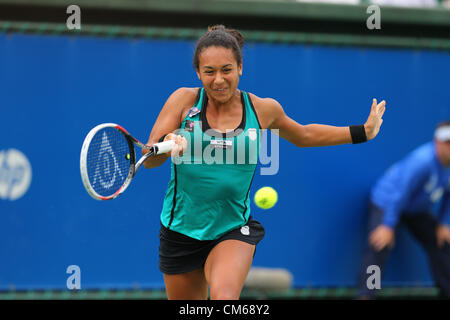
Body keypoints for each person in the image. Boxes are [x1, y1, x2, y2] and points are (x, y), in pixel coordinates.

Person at [142, 25, 386, 300]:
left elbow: (304, 134)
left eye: (227, 69)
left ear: (240, 68)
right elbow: (149, 160)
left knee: (224, 297)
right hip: (179, 230)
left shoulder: (262, 109)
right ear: (198, 72)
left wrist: (362, 132)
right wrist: (168, 144)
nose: (219, 79)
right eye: (209, 71)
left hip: (232, 228)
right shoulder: (183, 101)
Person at [356, 121, 450, 299]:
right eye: (448, 142)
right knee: (379, 244)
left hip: (415, 209)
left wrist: (443, 223)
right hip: (387, 202)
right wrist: (388, 225)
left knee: (443, 242)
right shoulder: (422, 162)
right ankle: (366, 294)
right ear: (437, 141)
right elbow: (399, 194)